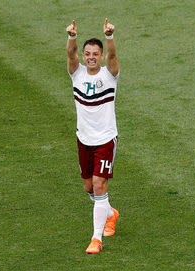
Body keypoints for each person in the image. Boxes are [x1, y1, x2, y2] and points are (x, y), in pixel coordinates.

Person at [66, 18, 120, 254]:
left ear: (100, 56)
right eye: (87, 53)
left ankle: (96, 239)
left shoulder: (110, 75)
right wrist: (71, 37)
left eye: (95, 54)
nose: (90, 57)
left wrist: (109, 37)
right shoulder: (76, 74)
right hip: (84, 140)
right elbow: (70, 55)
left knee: (99, 185)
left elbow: (113, 56)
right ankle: (110, 213)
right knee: (88, 187)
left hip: (106, 139)